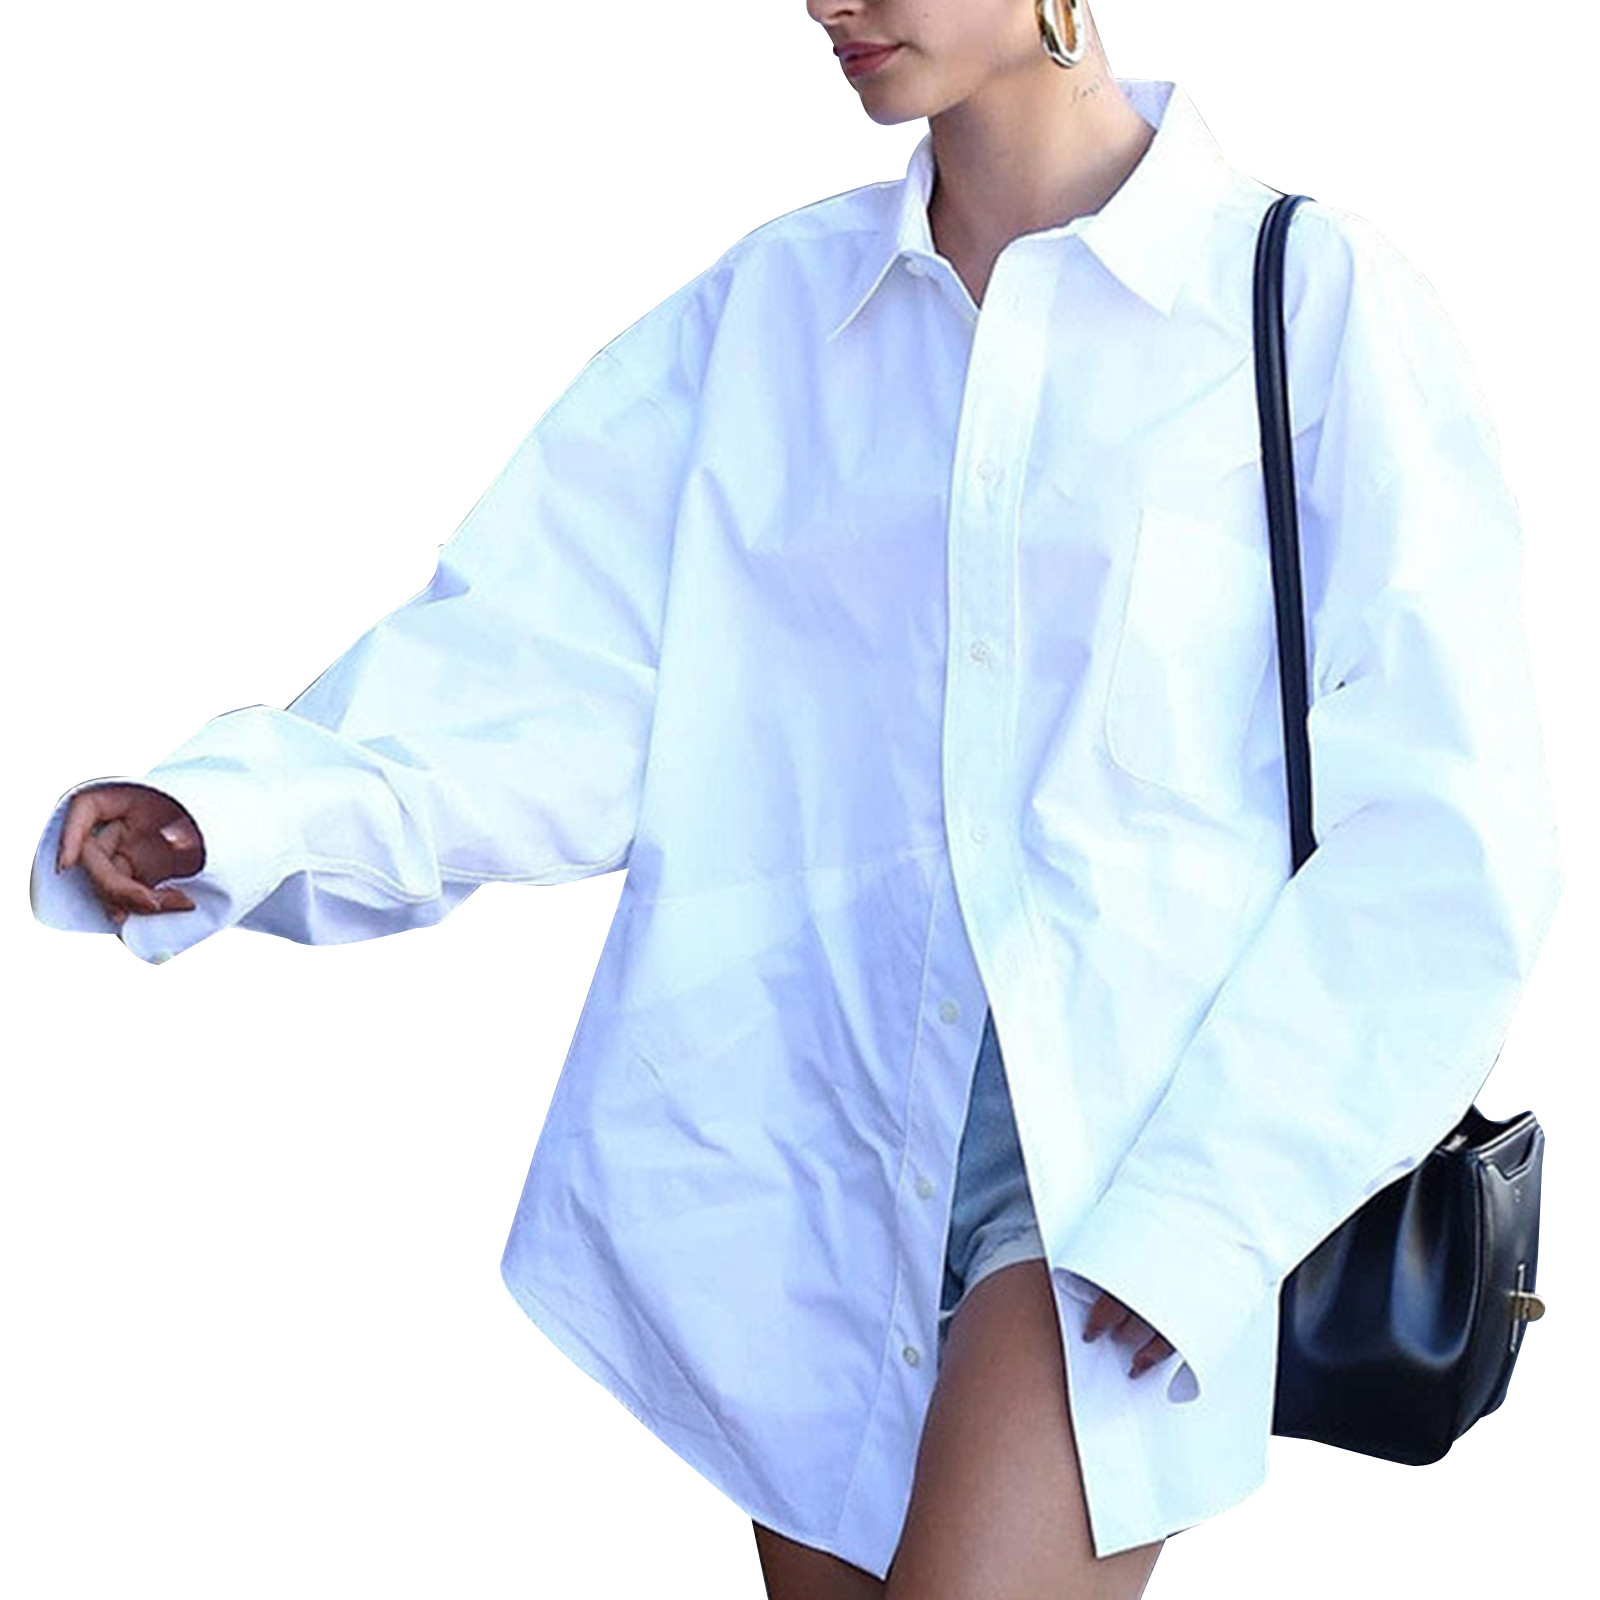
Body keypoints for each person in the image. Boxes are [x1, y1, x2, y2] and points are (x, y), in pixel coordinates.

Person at [29, 4, 1566, 1599]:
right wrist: (244, 815)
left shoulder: (1309, 302)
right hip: (811, 1150)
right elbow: (543, 673)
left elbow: (1447, 831)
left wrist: (1209, 1212)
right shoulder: (775, 316)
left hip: (1122, 1167)